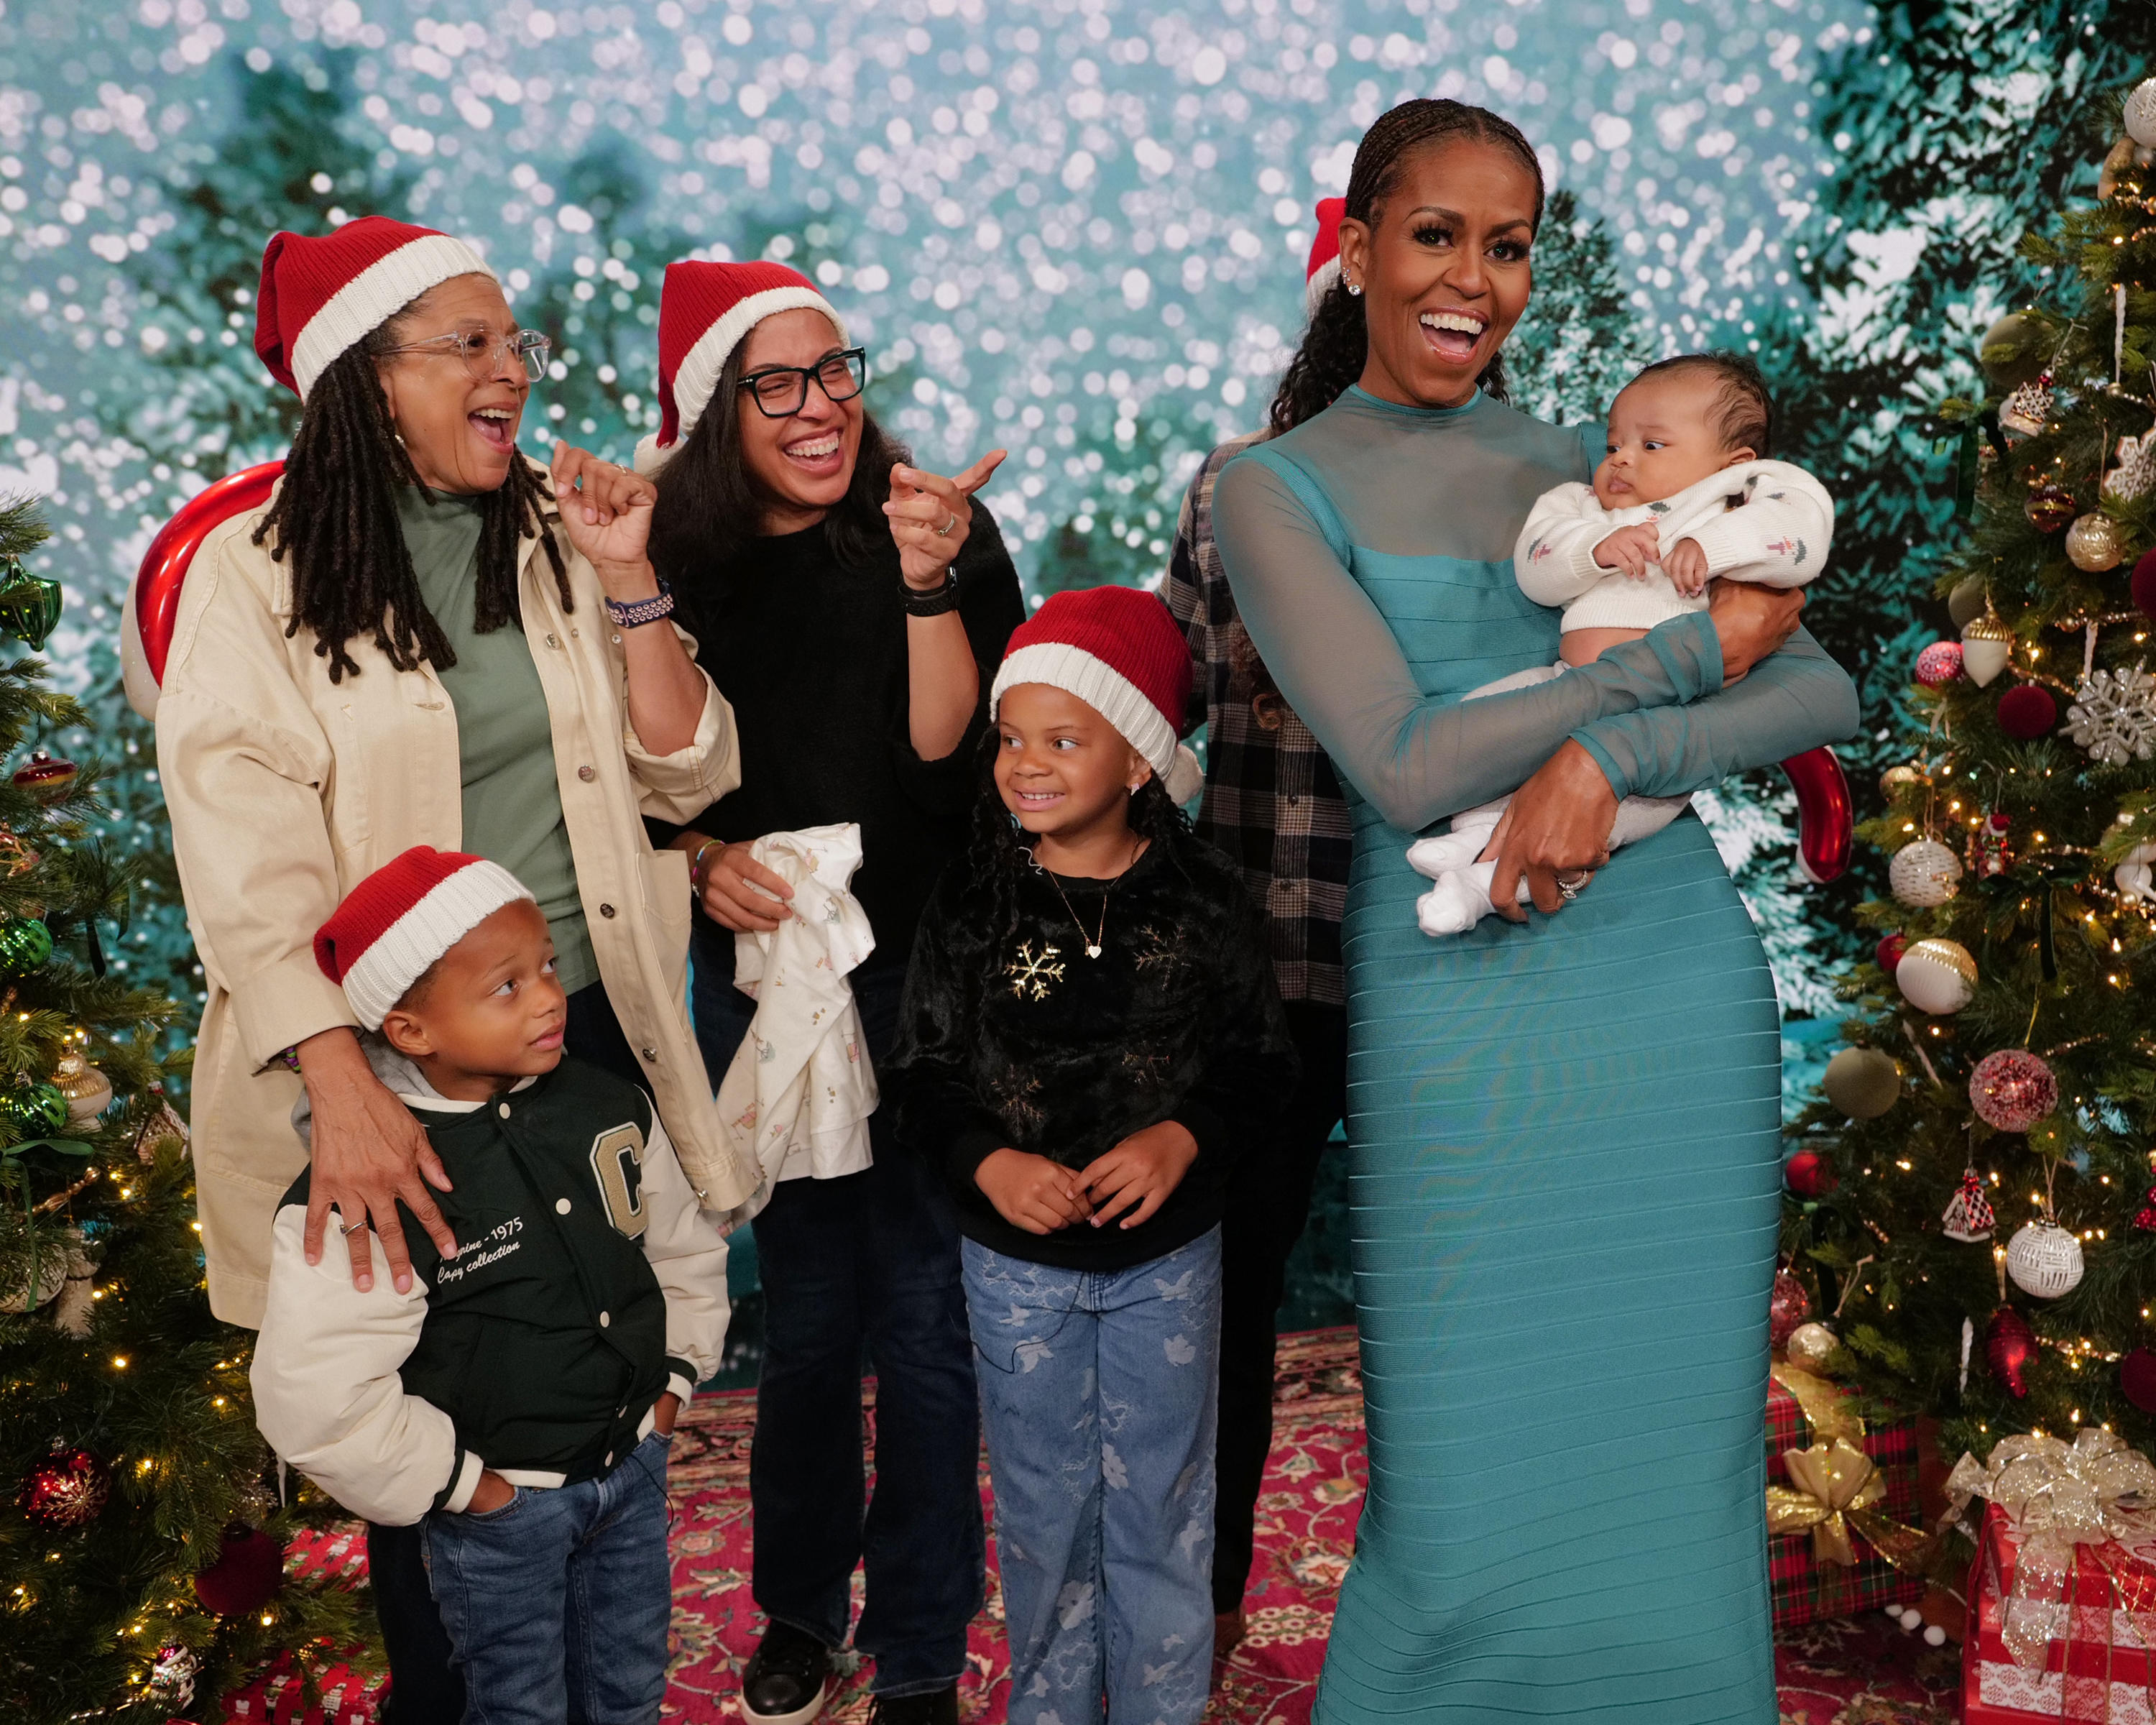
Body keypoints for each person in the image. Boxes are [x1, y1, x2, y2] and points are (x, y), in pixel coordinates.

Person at [1209, 100, 1860, 1723]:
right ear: (1354, 248)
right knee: (1461, 1448)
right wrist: (1671, 671)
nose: (1472, 280)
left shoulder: (1587, 462)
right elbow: (1406, 761)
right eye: (1435, 235)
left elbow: (1825, 682)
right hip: (1453, 990)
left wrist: (1610, 757)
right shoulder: (1270, 488)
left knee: (1669, 1431)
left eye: (1508, 247)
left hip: (1663, 983)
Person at [155, 216, 755, 1725]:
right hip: (387, 1059)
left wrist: (633, 584)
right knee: (439, 1457)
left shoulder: (553, 527)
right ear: (364, 374)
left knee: (591, 1397)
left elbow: (686, 774)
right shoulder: (255, 570)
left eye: (518, 345)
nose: (517, 374)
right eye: (473, 345)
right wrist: (344, 1084)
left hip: (579, 1016)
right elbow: (246, 858)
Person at [637, 259, 1026, 1725]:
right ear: (718, 416)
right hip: (763, 979)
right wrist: (692, 860)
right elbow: (638, 768)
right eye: (777, 383)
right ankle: (799, 1611)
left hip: (925, 970)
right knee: (806, 1316)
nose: (820, 407)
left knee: (926, 1314)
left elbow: (949, 753)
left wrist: (930, 575)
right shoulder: (675, 573)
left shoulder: (933, 527)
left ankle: (924, 1635)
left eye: (835, 369)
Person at [883, 585, 1294, 1725]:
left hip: (1172, 1263)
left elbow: (1262, 1064)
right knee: (1043, 1503)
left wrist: (1181, 1135)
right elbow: (918, 1074)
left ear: (1139, 763)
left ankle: (1163, 1706)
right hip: (1015, 1274)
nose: (1027, 764)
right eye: (1013, 737)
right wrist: (989, 1165)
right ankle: (1054, 1707)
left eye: (1065, 739)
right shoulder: (974, 897)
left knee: (1163, 1501)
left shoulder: (1205, 899)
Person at [252, 846, 729, 1725]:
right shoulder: (372, 1181)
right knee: (515, 1708)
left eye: (547, 965)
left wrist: (672, 1384)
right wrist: (470, 1491)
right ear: (410, 1030)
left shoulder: (607, 1104)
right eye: (506, 986)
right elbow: (312, 1399)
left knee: (628, 1692)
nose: (551, 996)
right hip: (498, 1517)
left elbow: (678, 1247)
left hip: (630, 1476)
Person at [1162, 201, 1358, 1650]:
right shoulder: (1235, 484)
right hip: (1259, 967)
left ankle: (1453, 1608)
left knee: (1448, 1304)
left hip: (1446, 965)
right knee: (1225, 1295)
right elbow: (1163, 695)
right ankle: (1208, 1597)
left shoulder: (1509, 502)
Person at [1409, 351, 1835, 932]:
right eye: (1614, 445)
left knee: (1613, 812)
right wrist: (1594, 550)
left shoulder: (1732, 499)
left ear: (1733, 464)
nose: (1620, 460)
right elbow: (1536, 563)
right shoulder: (1580, 508)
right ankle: (1476, 836)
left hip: (1669, 717)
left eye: (1652, 446)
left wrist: (1718, 548)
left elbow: (1801, 529)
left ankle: (1482, 890)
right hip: (1570, 684)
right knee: (1479, 723)